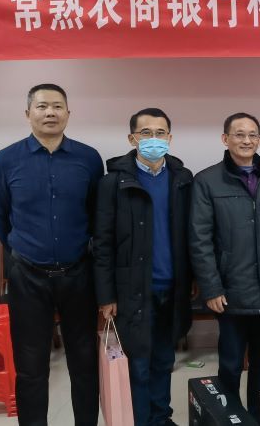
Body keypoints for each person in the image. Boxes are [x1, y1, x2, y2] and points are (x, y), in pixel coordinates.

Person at [0, 83, 103, 426]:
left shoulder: (88, 159)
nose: (50, 112)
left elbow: (95, 213)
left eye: (57, 106)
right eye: (42, 106)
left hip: (78, 273)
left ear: (68, 113)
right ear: (28, 114)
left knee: (84, 362)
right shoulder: (4, 161)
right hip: (28, 276)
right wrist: (23, 251)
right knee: (31, 366)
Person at [93, 108, 194, 426]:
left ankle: (161, 418)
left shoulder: (182, 179)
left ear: (170, 138)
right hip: (133, 290)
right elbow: (102, 243)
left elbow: (191, 235)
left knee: (164, 360)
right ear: (132, 138)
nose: (154, 139)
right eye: (146, 133)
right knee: (138, 363)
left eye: (160, 133)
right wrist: (106, 295)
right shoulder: (113, 182)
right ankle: (141, 420)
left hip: (172, 287)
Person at [190, 112, 260, 420]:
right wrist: (211, 287)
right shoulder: (207, 180)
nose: (246, 140)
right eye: (239, 134)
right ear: (225, 139)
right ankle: (229, 418)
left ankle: (258, 417)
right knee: (230, 363)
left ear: (259, 140)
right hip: (229, 291)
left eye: (252, 134)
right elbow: (200, 239)